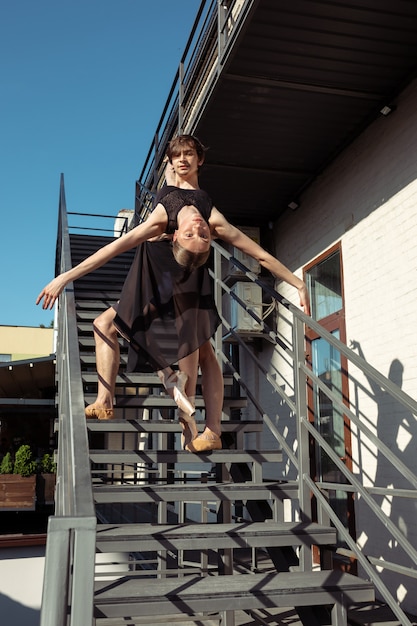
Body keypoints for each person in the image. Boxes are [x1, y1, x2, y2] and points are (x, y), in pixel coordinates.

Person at [37, 134, 310, 452]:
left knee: (198, 355)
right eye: (178, 155)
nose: (199, 227)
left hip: (187, 285)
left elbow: (259, 255)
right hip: (155, 281)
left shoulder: (185, 217)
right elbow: (114, 247)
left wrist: (297, 282)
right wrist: (64, 278)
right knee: (106, 325)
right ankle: (107, 398)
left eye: (202, 233)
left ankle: (205, 430)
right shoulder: (178, 206)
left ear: (178, 236)